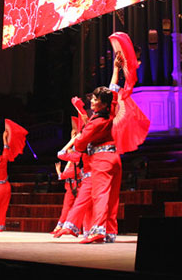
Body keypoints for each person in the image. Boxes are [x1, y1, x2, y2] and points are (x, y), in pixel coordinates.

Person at [72, 55, 122, 244]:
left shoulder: (96, 123)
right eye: (93, 98)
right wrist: (116, 69)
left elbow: (80, 144)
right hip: (115, 157)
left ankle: (98, 230)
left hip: (101, 159)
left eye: (95, 99)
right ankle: (109, 231)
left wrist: (78, 137)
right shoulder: (112, 110)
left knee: (100, 194)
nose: (92, 101)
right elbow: (114, 89)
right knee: (112, 196)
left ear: (102, 103)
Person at [52, 132, 83, 235]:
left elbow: (62, 176)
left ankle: (63, 227)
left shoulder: (77, 161)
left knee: (70, 208)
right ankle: (63, 227)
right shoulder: (74, 161)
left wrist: (58, 171)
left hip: (75, 188)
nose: (69, 151)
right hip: (75, 187)